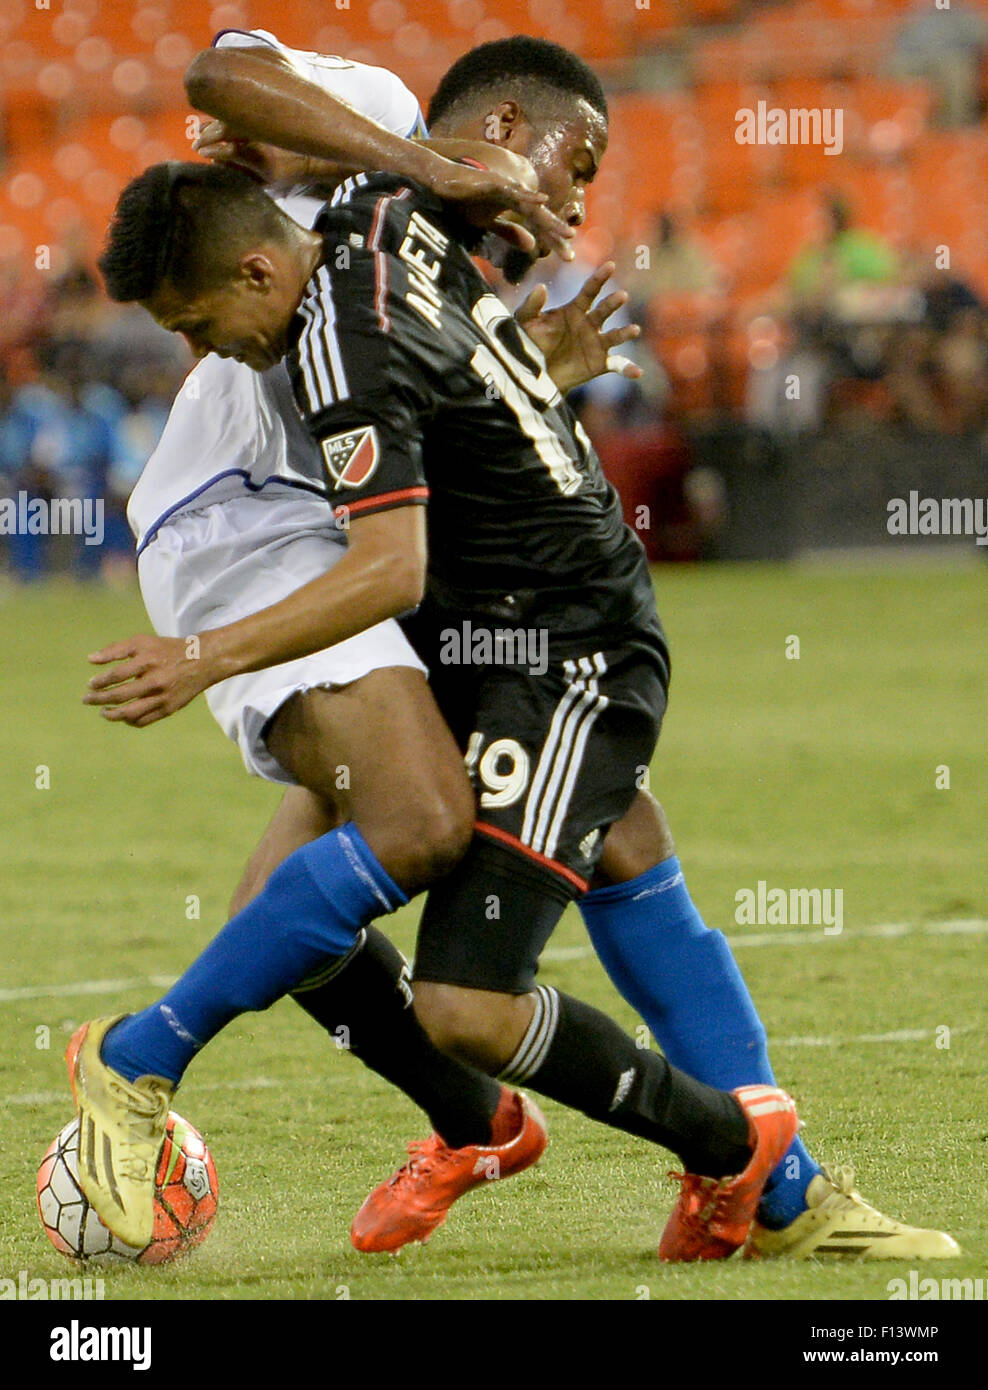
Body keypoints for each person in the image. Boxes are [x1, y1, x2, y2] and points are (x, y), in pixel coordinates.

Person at [81, 34, 955, 1263]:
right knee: (370, 878)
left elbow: (429, 450)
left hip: (470, 587)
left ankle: (747, 1175)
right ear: (496, 126)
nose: (579, 197)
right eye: (572, 161)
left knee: (542, 862)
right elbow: (218, 74)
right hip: (260, 522)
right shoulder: (380, 159)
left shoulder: (407, 251)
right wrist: (433, 179)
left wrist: (529, 372)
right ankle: (562, 1136)